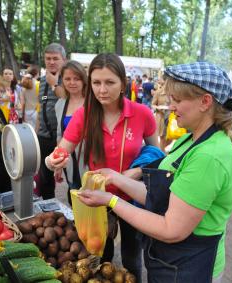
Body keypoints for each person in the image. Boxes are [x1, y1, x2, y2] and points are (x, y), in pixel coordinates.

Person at [76, 61, 232, 283]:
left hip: (189, 268)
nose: (171, 107)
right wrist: (116, 178)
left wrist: (111, 200)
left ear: (205, 102)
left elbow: (171, 229)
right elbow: (161, 196)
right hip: (171, 262)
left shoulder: (208, 157)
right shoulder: (189, 139)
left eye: (178, 100)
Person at [46, 53, 158, 282]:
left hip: (132, 197)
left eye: (109, 82)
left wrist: (133, 173)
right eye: (96, 82)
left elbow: (158, 157)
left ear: (123, 84)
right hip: (98, 198)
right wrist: (52, 161)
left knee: (132, 257)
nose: (102, 90)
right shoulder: (84, 115)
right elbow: (60, 151)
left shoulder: (142, 114)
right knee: (98, 258)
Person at [54, 60, 88, 203]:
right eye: (67, 79)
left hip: (89, 161)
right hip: (70, 163)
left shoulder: (93, 102)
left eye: (76, 78)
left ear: (83, 79)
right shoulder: (60, 104)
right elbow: (59, 135)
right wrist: (58, 164)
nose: (72, 82)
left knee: (91, 197)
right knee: (73, 194)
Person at [37, 43, 67, 199]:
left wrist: (54, 83)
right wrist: (36, 133)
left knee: (68, 176)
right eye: (48, 58)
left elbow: (66, 99)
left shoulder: (68, 79)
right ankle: (49, 207)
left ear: (64, 60)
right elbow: (41, 106)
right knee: (45, 177)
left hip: (64, 138)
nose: (51, 62)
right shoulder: (42, 81)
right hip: (44, 137)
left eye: (55, 58)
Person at [151, 75, 171, 152]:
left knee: (171, 137)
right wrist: (159, 107)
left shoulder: (173, 93)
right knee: (162, 137)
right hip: (161, 117)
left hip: (171, 117)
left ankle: (160, 149)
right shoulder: (158, 92)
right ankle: (161, 154)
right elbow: (153, 105)